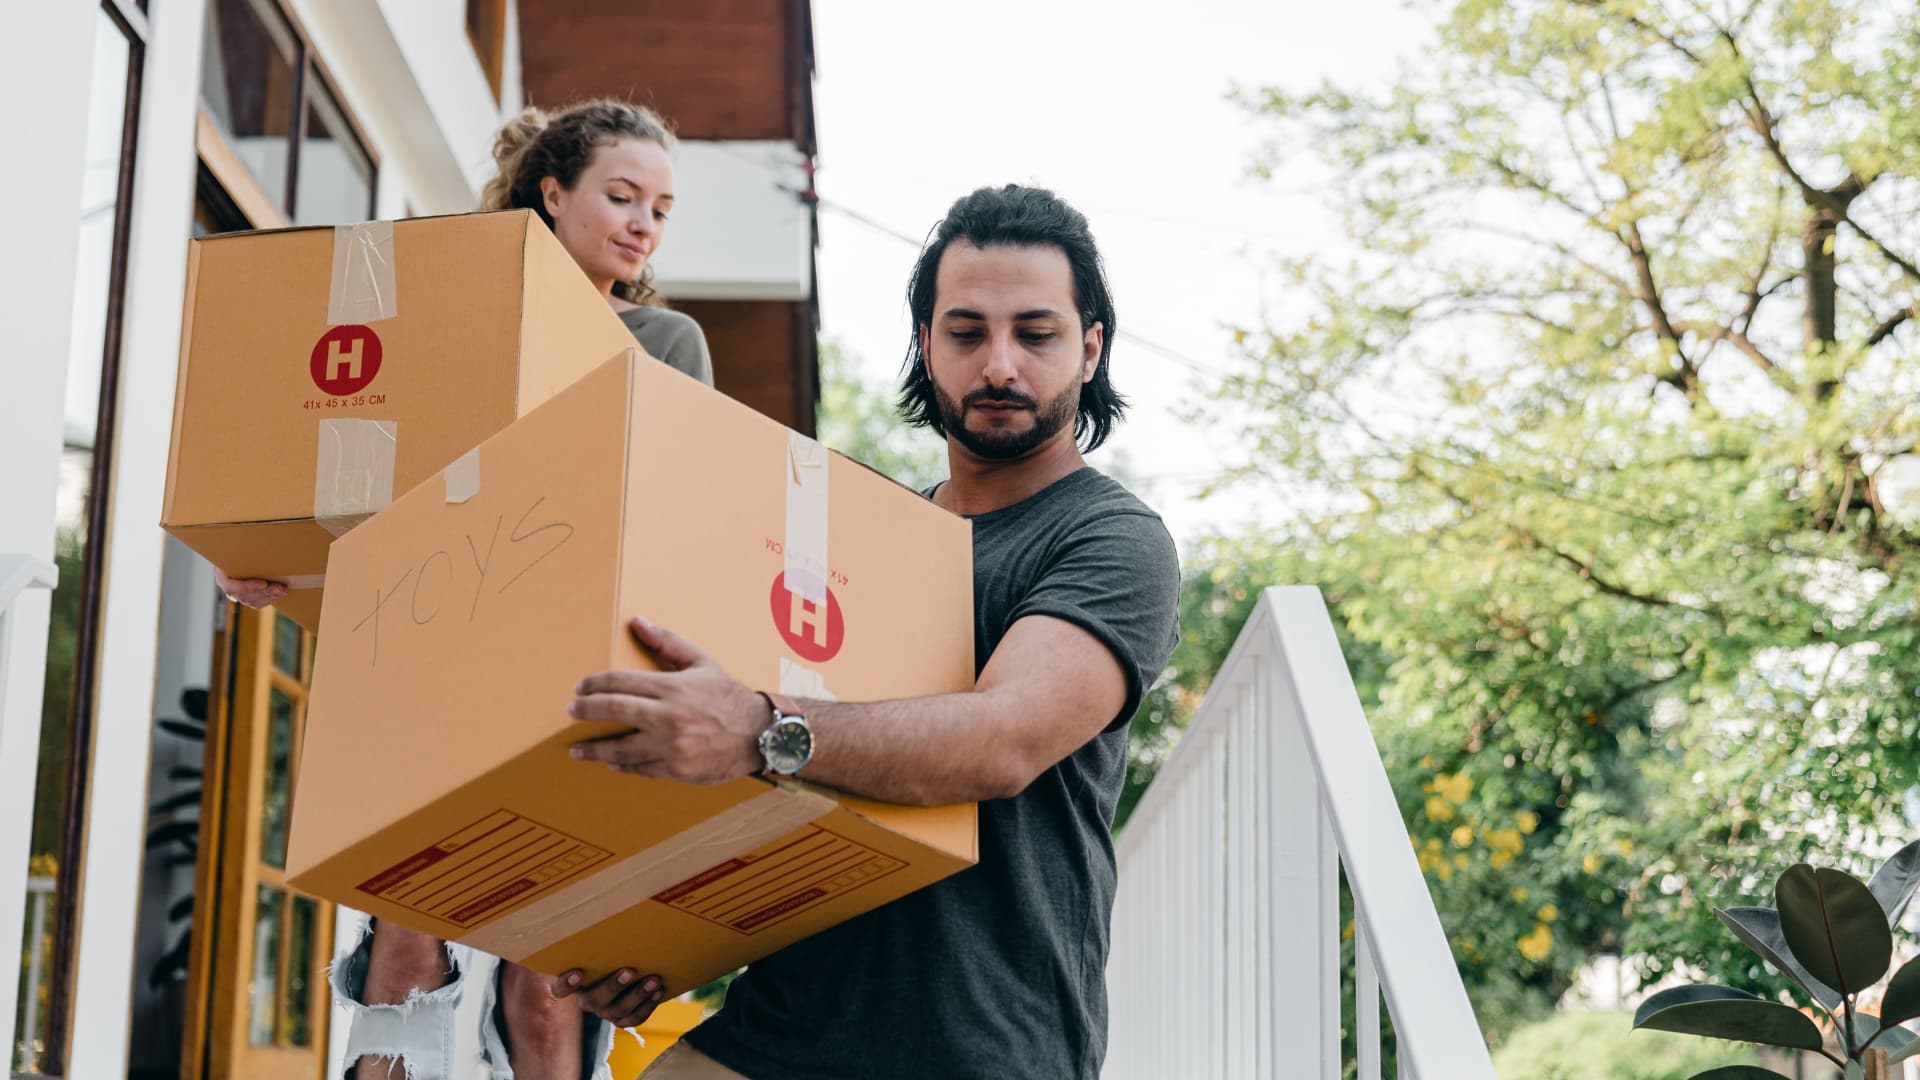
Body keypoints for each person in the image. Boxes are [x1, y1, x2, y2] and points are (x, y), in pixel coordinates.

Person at [555, 183, 1182, 1080]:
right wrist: (656, 933)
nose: (999, 364)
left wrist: (756, 726)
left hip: (977, 1044)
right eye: (966, 333)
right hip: (778, 1017)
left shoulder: (1112, 539)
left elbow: (1001, 741)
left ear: (1090, 349)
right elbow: (750, 764)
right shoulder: (862, 538)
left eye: (1035, 334)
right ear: (926, 345)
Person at [216, 98, 713, 1080]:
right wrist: (282, 556)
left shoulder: (665, 341)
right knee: (405, 954)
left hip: (578, 682)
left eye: (660, 209)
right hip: (432, 669)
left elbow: (679, 524)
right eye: (622, 196)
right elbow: (386, 494)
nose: (644, 225)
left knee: (543, 987)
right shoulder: (448, 327)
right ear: (552, 192)